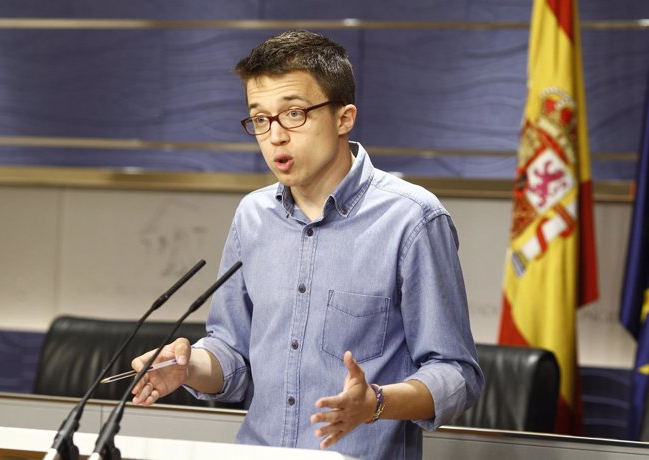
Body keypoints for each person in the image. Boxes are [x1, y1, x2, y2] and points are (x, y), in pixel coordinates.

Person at [131, 29, 484, 459]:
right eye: (259, 119)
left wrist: (374, 403)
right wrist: (190, 368)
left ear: (343, 117)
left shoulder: (412, 219)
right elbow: (232, 353)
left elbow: (456, 372)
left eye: (293, 114)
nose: (275, 136)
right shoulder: (252, 216)